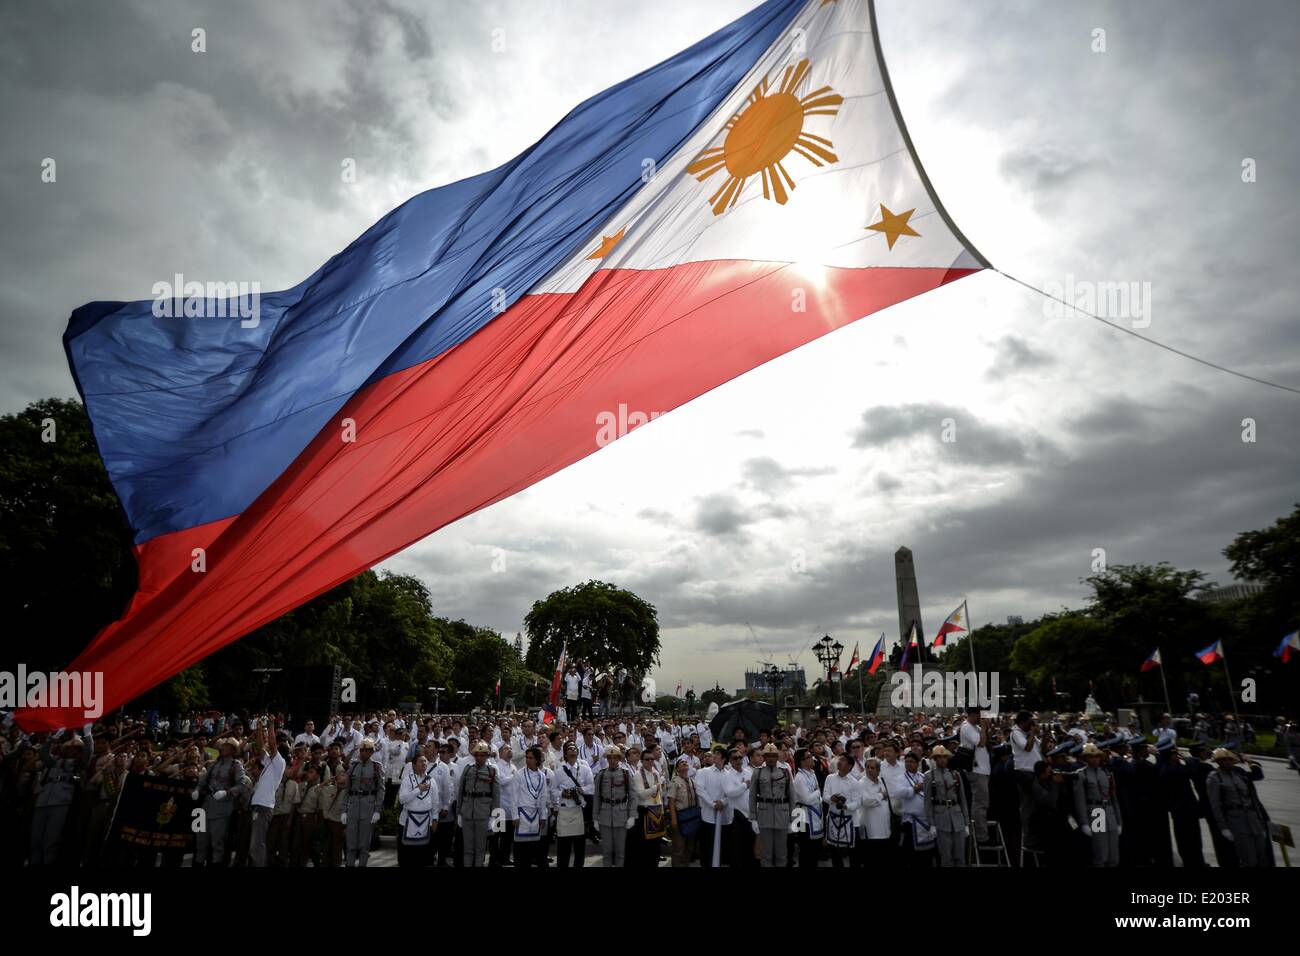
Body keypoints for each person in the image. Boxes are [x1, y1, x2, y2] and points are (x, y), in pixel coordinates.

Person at [1206, 749, 1272, 867]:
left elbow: (1253, 798)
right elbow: (1215, 806)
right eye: (1224, 760)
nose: (1227, 762)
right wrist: (1223, 827)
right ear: (1219, 762)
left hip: (1253, 820)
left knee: (1262, 857)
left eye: (1230, 760)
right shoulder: (1214, 778)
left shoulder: (1239, 774)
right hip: (1236, 821)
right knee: (1249, 858)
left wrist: (1261, 821)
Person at [193, 735, 249, 868]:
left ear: (232, 750)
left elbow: (241, 784)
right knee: (200, 840)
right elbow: (204, 780)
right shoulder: (214, 764)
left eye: (226, 746)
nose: (222, 748)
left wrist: (227, 792)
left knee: (217, 842)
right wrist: (197, 789)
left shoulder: (236, 765)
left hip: (222, 808)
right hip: (205, 806)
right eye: (222, 746)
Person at [694, 747, 745, 866]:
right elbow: (700, 790)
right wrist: (713, 804)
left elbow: (733, 793)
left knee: (723, 850)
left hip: (725, 818)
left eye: (717, 753)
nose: (714, 755)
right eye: (714, 753)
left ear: (724, 758)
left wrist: (723, 802)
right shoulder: (703, 772)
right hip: (708, 817)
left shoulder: (730, 774)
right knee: (707, 849)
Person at [1073, 743, 1121, 866]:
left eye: (1097, 756)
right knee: (1101, 852)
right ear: (1085, 759)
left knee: (1114, 854)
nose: (1095, 759)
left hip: (1109, 811)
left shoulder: (1106, 773)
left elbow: (1114, 798)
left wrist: (1119, 820)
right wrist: (1084, 823)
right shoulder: (1081, 774)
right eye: (1091, 757)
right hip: (1096, 811)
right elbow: (1080, 801)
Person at [923, 745, 969, 866]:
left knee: (960, 857)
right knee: (946, 857)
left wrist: (966, 823)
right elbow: (927, 801)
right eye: (939, 757)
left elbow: (962, 799)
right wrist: (931, 824)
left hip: (957, 817)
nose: (942, 760)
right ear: (935, 759)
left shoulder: (955, 775)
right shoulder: (929, 776)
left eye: (944, 757)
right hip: (941, 819)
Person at [248, 722, 286, 867]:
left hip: (264, 807)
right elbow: (260, 746)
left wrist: (271, 725)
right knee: (255, 843)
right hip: (258, 806)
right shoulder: (268, 762)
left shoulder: (279, 763)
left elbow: (271, 742)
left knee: (256, 845)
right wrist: (258, 728)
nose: (268, 748)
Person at [592, 745, 637, 866]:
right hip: (604, 816)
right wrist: (595, 818)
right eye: (609, 757)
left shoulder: (626, 774)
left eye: (615, 757)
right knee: (606, 851)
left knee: (620, 852)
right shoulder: (601, 775)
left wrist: (632, 816)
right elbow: (596, 797)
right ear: (607, 759)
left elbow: (633, 796)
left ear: (619, 759)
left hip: (621, 816)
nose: (612, 760)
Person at [342, 738, 384, 867]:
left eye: (368, 750)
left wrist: (377, 810)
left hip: (368, 804)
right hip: (353, 804)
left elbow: (381, 790)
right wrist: (344, 810)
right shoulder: (353, 765)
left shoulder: (377, 766)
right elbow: (346, 789)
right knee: (350, 842)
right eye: (362, 750)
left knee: (364, 843)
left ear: (372, 752)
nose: (364, 752)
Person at [749, 743, 792, 867]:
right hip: (764, 815)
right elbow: (752, 796)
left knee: (781, 854)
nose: (771, 758)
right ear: (764, 757)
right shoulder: (758, 772)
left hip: (782, 815)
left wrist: (793, 819)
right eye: (768, 756)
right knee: (766, 854)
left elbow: (792, 796)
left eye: (774, 755)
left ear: (777, 757)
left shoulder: (785, 772)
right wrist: (753, 818)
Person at [458, 741, 500, 867]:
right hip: (467, 813)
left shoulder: (492, 771)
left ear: (487, 756)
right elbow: (461, 791)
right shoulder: (468, 769)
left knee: (480, 849)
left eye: (482, 755)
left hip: (483, 814)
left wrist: (494, 816)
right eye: (477, 755)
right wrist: (459, 812)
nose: (479, 757)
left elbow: (496, 795)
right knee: (468, 848)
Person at [511, 746, 554, 867]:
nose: (528, 760)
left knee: (532, 848)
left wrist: (543, 817)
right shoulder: (519, 774)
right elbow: (514, 797)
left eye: (531, 758)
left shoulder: (542, 776)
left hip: (535, 815)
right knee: (520, 848)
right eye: (527, 757)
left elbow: (543, 798)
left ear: (537, 760)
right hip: (522, 814)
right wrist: (514, 816)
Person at [397, 752, 438, 866]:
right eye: (421, 761)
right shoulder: (407, 780)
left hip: (426, 821)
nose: (424, 763)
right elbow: (402, 799)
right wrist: (418, 790)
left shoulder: (431, 780)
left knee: (424, 854)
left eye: (425, 761)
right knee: (407, 855)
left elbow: (435, 801)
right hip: (407, 820)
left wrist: (435, 819)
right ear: (414, 765)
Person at [554, 742, 591, 867]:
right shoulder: (559, 771)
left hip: (579, 810)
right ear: (565, 753)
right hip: (565, 811)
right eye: (570, 748)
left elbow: (592, 787)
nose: (573, 750)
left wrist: (582, 790)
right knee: (563, 848)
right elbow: (552, 790)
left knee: (579, 848)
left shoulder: (585, 769)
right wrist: (562, 793)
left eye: (575, 748)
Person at [959, 708, 991, 843]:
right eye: (979, 716)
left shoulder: (976, 727)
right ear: (973, 715)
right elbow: (981, 743)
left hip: (983, 770)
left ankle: (981, 834)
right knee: (980, 804)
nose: (981, 718)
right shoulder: (966, 727)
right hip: (976, 770)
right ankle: (981, 837)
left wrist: (985, 728)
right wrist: (983, 728)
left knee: (983, 803)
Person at [823, 753, 860, 867]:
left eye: (843, 760)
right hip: (834, 819)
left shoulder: (854, 782)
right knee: (835, 851)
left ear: (849, 766)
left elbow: (857, 802)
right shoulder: (830, 778)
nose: (839, 762)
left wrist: (846, 806)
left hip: (850, 820)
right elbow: (824, 796)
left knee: (853, 852)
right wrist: (831, 798)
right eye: (840, 759)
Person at [631, 746, 666, 867]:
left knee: (656, 844)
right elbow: (640, 795)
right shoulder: (637, 775)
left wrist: (660, 788)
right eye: (647, 759)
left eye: (652, 759)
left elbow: (660, 794)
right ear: (642, 761)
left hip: (656, 811)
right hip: (645, 812)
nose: (650, 761)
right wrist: (656, 787)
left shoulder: (656, 773)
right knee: (645, 845)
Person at [792, 748, 824, 867]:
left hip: (814, 813)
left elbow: (817, 797)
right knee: (806, 849)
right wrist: (817, 792)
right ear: (802, 761)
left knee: (815, 849)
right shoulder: (799, 777)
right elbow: (807, 800)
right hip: (802, 816)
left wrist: (816, 794)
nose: (812, 758)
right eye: (809, 756)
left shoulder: (812, 773)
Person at [725, 748, 755, 868]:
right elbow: (730, 793)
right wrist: (744, 785)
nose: (738, 760)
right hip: (736, 818)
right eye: (735, 758)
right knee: (737, 852)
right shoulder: (727, 775)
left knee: (750, 851)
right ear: (730, 761)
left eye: (740, 757)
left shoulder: (748, 772)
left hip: (751, 816)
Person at [667, 755, 699, 867]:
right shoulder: (675, 782)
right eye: (682, 763)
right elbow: (671, 801)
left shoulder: (691, 781)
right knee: (679, 847)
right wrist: (674, 819)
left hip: (691, 817)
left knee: (690, 846)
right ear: (677, 769)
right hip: (680, 817)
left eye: (686, 763)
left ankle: (685, 864)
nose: (685, 764)